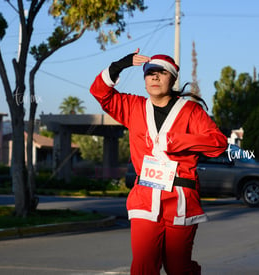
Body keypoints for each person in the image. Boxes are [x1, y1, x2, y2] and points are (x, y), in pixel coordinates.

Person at [90, 48, 228, 275]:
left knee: (177, 267)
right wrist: (118, 66)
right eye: (149, 72)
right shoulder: (133, 106)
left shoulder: (191, 111)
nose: (154, 76)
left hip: (181, 198)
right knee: (144, 266)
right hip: (145, 196)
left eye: (162, 72)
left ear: (172, 78)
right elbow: (100, 92)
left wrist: (176, 140)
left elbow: (218, 144)